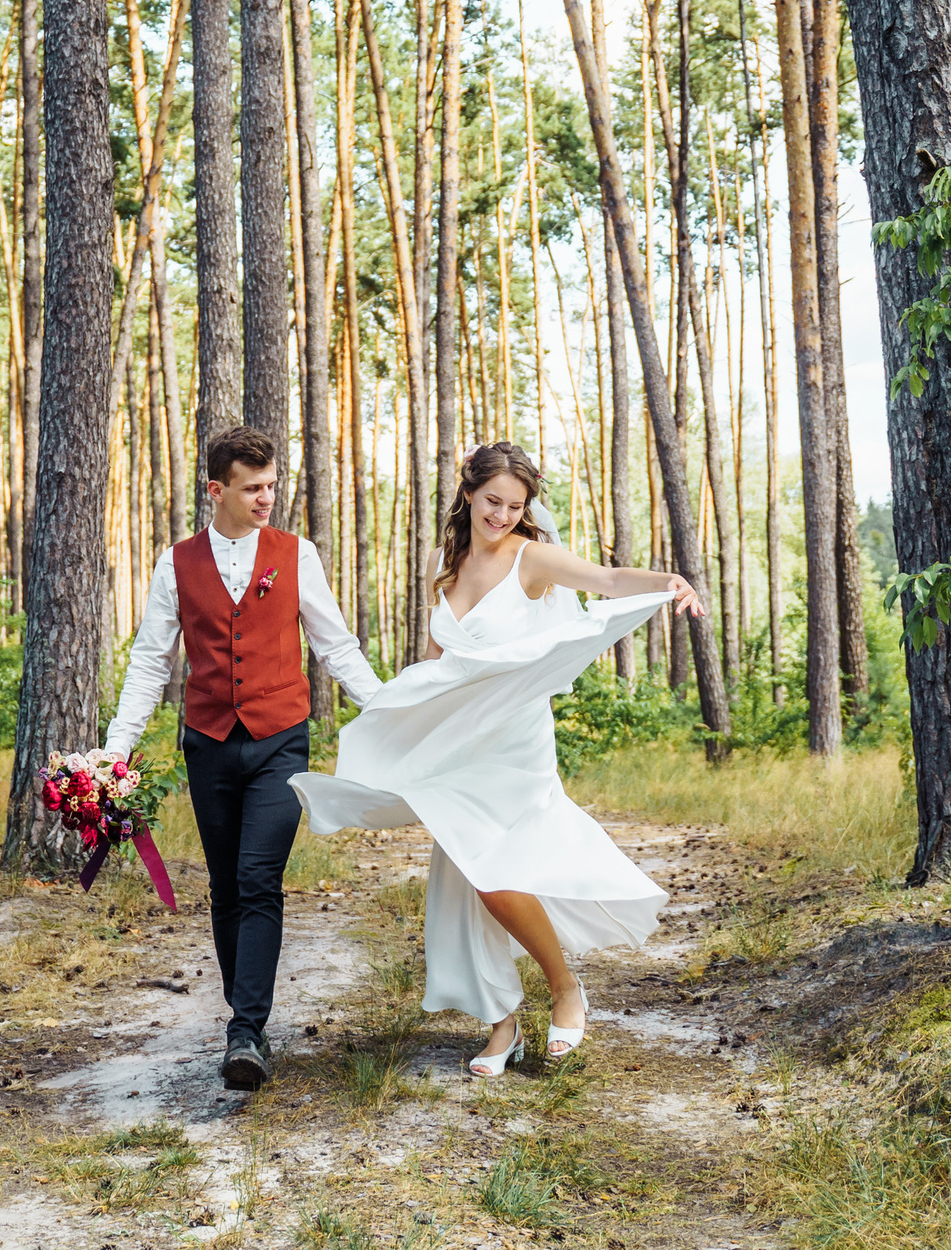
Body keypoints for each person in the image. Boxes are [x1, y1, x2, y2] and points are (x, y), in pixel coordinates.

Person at [291, 442, 705, 1076]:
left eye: (516, 506)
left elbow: (607, 580)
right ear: (468, 494)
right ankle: (502, 1026)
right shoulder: (445, 559)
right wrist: (406, 720)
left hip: (514, 740)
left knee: (494, 878)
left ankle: (566, 990)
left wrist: (667, 581)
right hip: (460, 739)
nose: (504, 516)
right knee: (462, 884)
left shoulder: (531, 558)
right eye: (493, 502)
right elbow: (438, 658)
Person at [100, 424, 382, 1092]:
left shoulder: (296, 553)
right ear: (216, 489)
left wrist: (388, 707)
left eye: (272, 485)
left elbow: (334, 646)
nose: (267, 499)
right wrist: (117, 745)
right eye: (253, 488)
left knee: (259, 877)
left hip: (281, 737)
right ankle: (244, 1017)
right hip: (208, 743)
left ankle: (245, 1030)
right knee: (225, 885)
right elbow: (149, 660)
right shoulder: (177, 563)